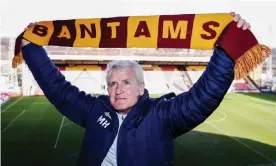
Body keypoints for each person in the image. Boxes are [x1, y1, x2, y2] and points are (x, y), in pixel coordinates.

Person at [21, 12, 250, 166]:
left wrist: (226, 51)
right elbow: (58, 88)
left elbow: (203, 97)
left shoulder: (162, 115)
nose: (118, 90)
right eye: (112, 84)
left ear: (141, 87)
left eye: (126, 82)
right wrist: (31, 49)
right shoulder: (95, 110)